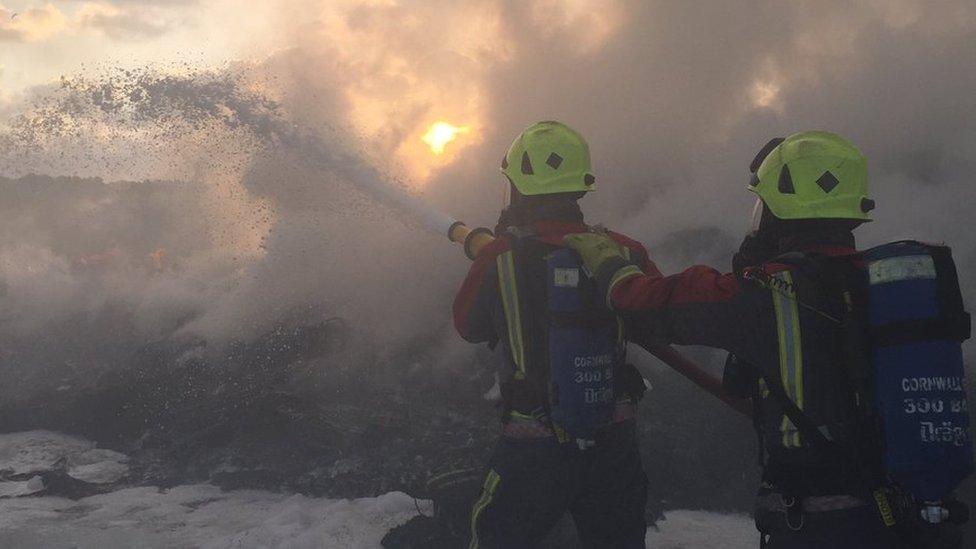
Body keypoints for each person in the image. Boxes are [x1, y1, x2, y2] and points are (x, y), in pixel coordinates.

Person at [563, 131, 970, 548]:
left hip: (822, 527)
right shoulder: (887, 288)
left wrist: (606, 259)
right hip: (920, 523)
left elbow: (644, 304)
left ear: (777, 213)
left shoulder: (765, 293)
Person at [453, 121, 652, 548]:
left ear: (518, 188)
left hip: (533, 448)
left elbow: (467, 326)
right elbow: (652, 312)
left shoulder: (499, 256)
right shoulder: (624, 250)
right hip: (613, 445)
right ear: (582, 185)